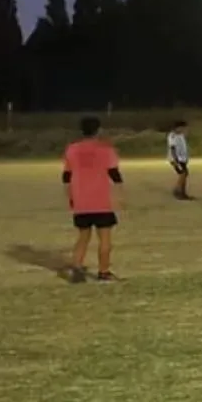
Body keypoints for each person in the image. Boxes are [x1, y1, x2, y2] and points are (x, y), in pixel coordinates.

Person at [62, 116, 123, 283]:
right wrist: (119, 195)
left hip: (81, 200)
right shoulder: (106, 149)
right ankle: (103, 272)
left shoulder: (72, 149)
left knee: (83, 237)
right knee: (105, 239)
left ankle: (77, 269)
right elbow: (114, 174)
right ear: (99, 130)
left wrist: (70, 196)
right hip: (101, 200)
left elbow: (66, 176)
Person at [167, 121, 192, 200]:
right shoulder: (172, 136)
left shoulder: (181, 135)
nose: (184, 130)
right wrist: (175, 160)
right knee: (183, 174)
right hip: (176, 159)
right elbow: (172, 148)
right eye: (182, 128)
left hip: (182, 158)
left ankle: (183, 192)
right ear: (178, 127)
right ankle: (177, 190)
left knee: (184, 174)